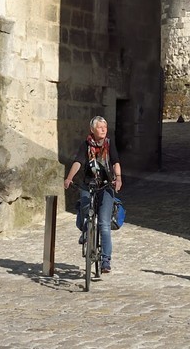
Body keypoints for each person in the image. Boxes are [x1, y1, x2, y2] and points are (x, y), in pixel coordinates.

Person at [63, 114, 122, 275]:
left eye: (105, 127)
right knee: (84, 208)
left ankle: (105, 261)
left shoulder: (110, 144)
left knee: (103, 223)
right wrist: (69, 178)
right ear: (92, 129)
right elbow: (78, 161)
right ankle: (85, 231)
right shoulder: (86, 145)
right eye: (100, 127)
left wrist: (118, 179)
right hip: (88, 184)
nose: (103, 129)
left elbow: (115, 161)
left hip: (106, 185)